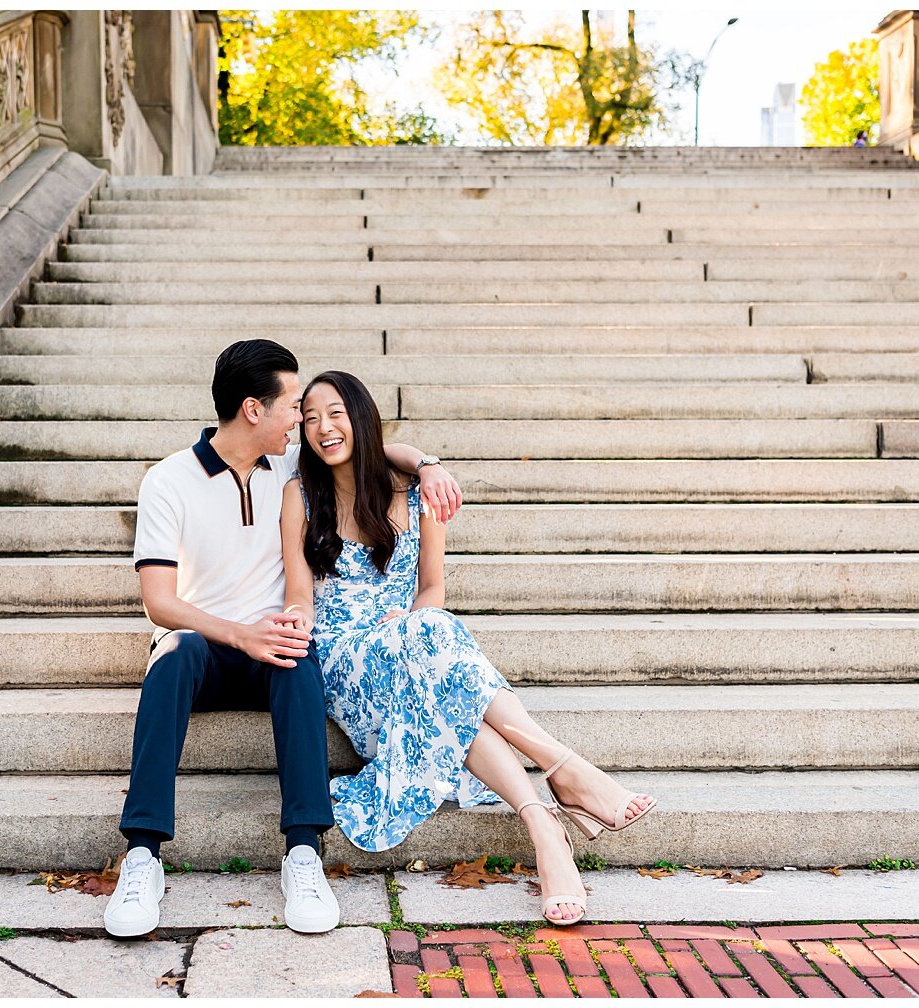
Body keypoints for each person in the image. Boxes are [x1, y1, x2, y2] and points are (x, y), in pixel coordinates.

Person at [104, 341, 465, 938]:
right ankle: (142, 853)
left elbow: (368, 448)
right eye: (294, 405)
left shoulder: (292, 469)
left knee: (301, 657)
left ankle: (303, 853)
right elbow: (160, 603)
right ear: (253, 409)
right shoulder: (167, 481)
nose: (304, 419)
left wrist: (427, 464)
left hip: (276, 645)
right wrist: (239, 634)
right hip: (205, 644)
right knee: (171, 656)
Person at [280, 370, 657, 927]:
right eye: (309, 418)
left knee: (431, 632)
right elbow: (298, 593)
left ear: (360, 417)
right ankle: (561, 766)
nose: (321, 428)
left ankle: (542, 824)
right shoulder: (300, 495)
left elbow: (431, 587)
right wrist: (293, 628)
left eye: (335, 413)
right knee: (433, 638)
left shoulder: (415, 496)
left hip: (411, 639)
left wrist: (409, 617)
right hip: (343, 659)